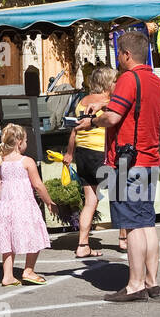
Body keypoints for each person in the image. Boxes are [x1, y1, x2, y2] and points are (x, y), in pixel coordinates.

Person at [73, 30, 160, 302]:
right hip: (150, 159)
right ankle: (152, 281)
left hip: (128, 163)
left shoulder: (128, 79)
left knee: (133, 225)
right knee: (147, 222)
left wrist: (92, 121)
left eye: (119, 54)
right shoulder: (155, 81)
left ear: (126, 54)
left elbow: (113, 118)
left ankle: (135, 285)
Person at [62, 65, 128, 257]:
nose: (117, 84)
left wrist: (69, 153)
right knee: (120, 196)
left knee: (90, 201)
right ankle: (123, 240)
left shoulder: (82, 102)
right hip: (101, 153)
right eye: (114, 80)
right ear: (107, 83)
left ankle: (82, 245)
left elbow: (74, 130)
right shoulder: (109, 102)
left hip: (82, 154)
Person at [0, 124, 56, 287]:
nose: (27, 143)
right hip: (24, 205)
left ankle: (8, 275)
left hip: (5, 207)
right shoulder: (27, 162)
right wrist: (48, 201)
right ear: (19, 142)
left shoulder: (0, 163)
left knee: (8, 240)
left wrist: (0, 205)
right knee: (34, 234)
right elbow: (38, 185)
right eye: (26, 140)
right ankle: (28, 270)